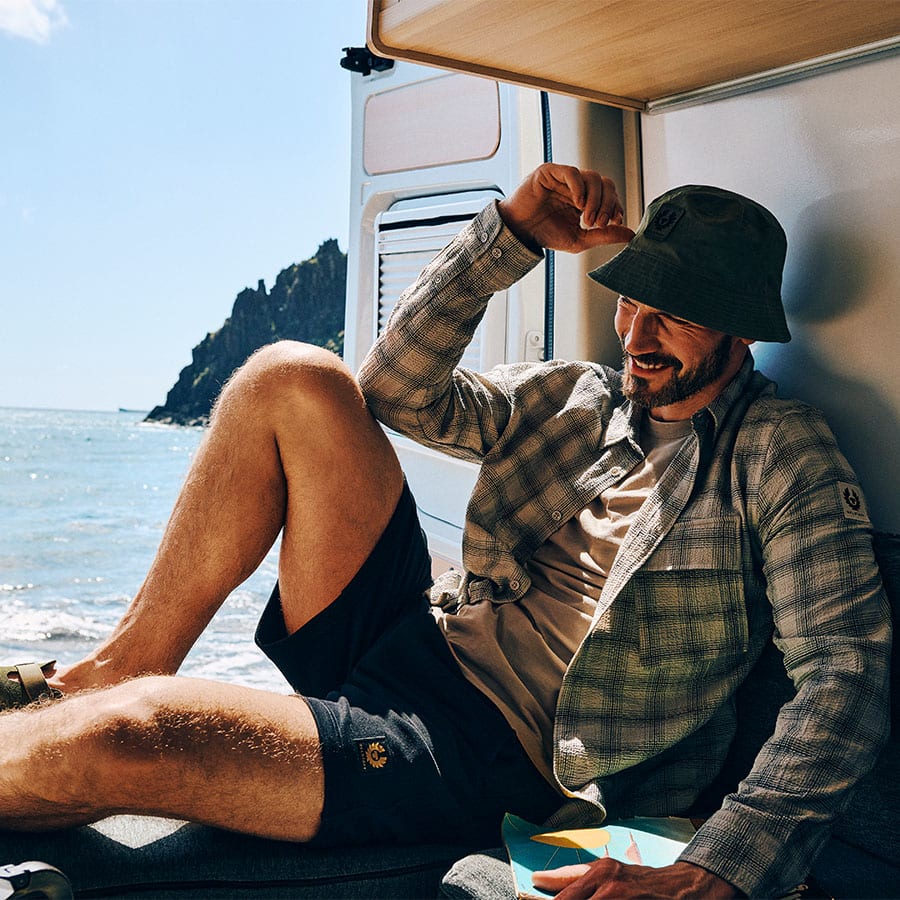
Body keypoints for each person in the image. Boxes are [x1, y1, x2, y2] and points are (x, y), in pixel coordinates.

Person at [0, 164, 890, 900]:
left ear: (739, 331)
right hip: (419, 634)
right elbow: (394, 389)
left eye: (677, 313)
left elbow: (844, 670)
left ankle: (99, 710)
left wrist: (723, 867)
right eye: (631, 300)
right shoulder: (577, 397)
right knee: (291, 378)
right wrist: (513, 234)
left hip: (489, 749)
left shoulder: (779, 451)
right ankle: (120, 661)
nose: (637, 331)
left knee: (132, 734)